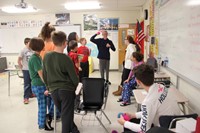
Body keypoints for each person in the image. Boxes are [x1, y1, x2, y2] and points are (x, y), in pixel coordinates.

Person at [117, 64, 180, 133]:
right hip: (174, 125)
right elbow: (151, 110)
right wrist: (134, 115)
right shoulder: (162, 87)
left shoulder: (148, 101)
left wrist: (124, 123)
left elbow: (143, 129)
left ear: (138, 82)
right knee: (133, 120)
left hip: (162, 130)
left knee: (127, 127)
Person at [43, 31, 80, 133]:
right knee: (66, 117)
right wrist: (74, 87)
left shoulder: (47, 56)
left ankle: (74, 129)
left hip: (54, 91)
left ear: (53, 42)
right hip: (66, 91)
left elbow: (45, 75)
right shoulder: (66, 58)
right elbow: (74, 79)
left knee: (65, 114)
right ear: (65, 43)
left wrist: (48, 87)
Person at [28, 37, 53, 131]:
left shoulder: (38, 57)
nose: (44, 46)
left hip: (39, 84)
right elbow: (41, 74)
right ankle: (42, 124)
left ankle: (43, 121)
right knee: (42, 105)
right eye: (43, 44)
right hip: (38, 85)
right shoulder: (34, 58)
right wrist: (47, 84)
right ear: (40, 46)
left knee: (45, 103)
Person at [18, 37, 34, 104]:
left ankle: (30, 94)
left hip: (32, 70)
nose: (31, 44)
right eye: (30, 43)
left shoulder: (32, 50)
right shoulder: (23, 50)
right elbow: (19, 60)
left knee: (31, 83)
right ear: (26, 43)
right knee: (27, 84)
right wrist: (22, 68)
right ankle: (26, 98)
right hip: (26, 69)